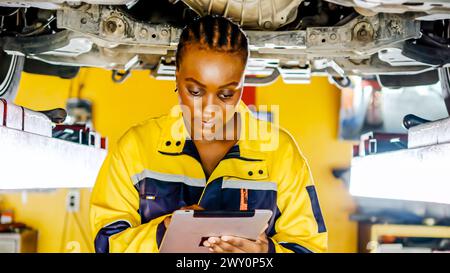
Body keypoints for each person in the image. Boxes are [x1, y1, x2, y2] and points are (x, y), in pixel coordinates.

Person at [90, 15, 327, 253]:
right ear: (176, 76)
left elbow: (311, 248)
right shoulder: (136, 148)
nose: (209, 109)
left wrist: (266, 254)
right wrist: (161, 234)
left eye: (226, 95)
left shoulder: (280, 152)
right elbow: (105, 244)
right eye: (194, 91)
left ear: (242, 86)